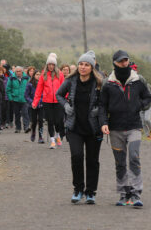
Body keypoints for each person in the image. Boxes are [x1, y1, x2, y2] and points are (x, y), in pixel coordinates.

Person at [99, 50, 151, 208]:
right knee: (120, 162)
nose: (124, 63)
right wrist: (103, 123)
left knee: (134, 158)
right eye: (121, 61)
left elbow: (149, 96)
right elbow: (102, 106)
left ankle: (136, 194)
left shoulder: (138, 80)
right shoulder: (107, 83)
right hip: (115, 127)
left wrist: (139, 106)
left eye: (126, 60)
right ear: (114, 63)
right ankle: (124, 194)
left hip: (134, 126)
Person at [56, 51, 104, 205]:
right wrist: (66, 106)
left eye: (87, 65)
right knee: (76, 157)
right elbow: (59, 94)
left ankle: (90, 192)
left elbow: (106, 100)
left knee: (92, 160)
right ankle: (78, 189)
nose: (83, 67)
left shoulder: (99, 83)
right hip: (74, 127)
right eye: (81, 64)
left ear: (92, 67)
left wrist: (100, 109)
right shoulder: (71, 80)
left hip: (93, 128)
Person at [32, 53, 65, 149]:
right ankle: (52, 140)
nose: (51, 66)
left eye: (52, 64)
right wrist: (35, 102)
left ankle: (58, 135)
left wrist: (65, 97)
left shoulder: (60, 74)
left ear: (55, 65)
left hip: (58, 101)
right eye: (49, 64)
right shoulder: (43, 75)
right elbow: (38, 90)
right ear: (47, 65)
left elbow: (64, 87)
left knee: (58, 121)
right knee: (50, 121)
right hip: (47, 101)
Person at [6, 66, 31, 133]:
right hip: (15, 99)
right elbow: (8, 89)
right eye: (17, 71)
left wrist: (29, 97)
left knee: (25, 113)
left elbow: (30, 88)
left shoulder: (27, 78)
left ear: (22, 72)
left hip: (24, 99)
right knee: (17, 114)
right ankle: (18, 128)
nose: (18, 73)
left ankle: (26, 127)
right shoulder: (11, 78)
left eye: (19, 71)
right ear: (15, 72)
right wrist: (11, 98)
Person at [25, 70, 44, 143]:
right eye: (37, 74)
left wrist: (41, 100)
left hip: (41, 105)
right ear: (34, 75)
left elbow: (45, 94)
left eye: (39, 74)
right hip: (32, 106)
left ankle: (40, 136)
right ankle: (33, 132)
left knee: (41, 121)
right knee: (34, 121)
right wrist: (32, 102)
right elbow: (26, 95)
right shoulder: (29, 84)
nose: (38, 76)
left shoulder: (43, 84)